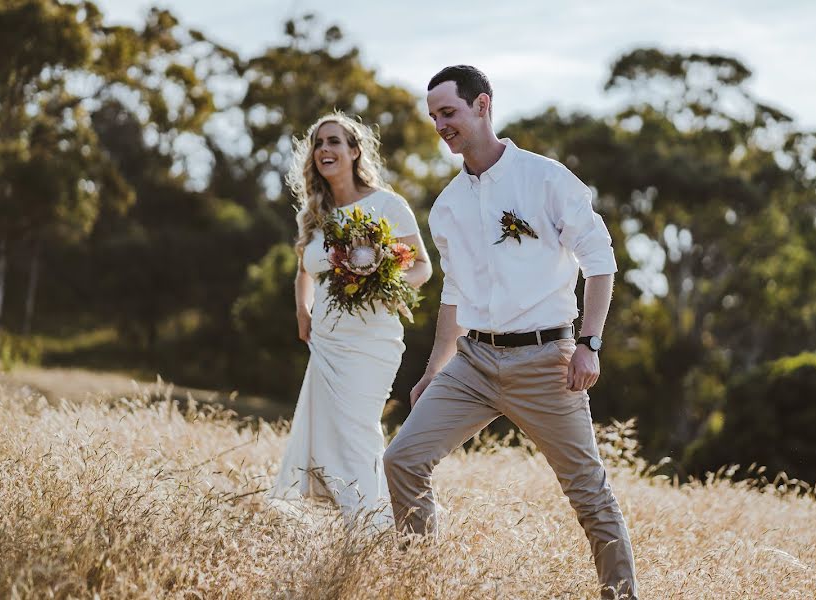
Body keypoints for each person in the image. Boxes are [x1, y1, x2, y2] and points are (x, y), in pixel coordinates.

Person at [382, 66, 638, 598]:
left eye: (448, 112)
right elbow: (453, 292)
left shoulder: (545, 178)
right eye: (433, 117)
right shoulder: (447, 205)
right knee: (402, 459)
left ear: (483, 106)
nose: (440, 126)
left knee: (588, 493)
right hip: (473, 363)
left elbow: (600, 261)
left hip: (548, 361)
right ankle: (416, 583)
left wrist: (589, 343)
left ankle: (621, 594)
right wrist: (435, 369)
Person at [270, 113, 432, 527]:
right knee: (328, 439)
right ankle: (349, 526)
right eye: (318, 143)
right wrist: (301, 309)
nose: (324, 149)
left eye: (334, 141)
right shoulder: (314, 213)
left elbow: (423, 267)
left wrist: (381, 281)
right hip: (326, 342)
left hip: (371, 338)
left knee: (358, 432)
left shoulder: (387, 204)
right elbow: (305, 268)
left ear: (355, 150)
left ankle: (377, 532)